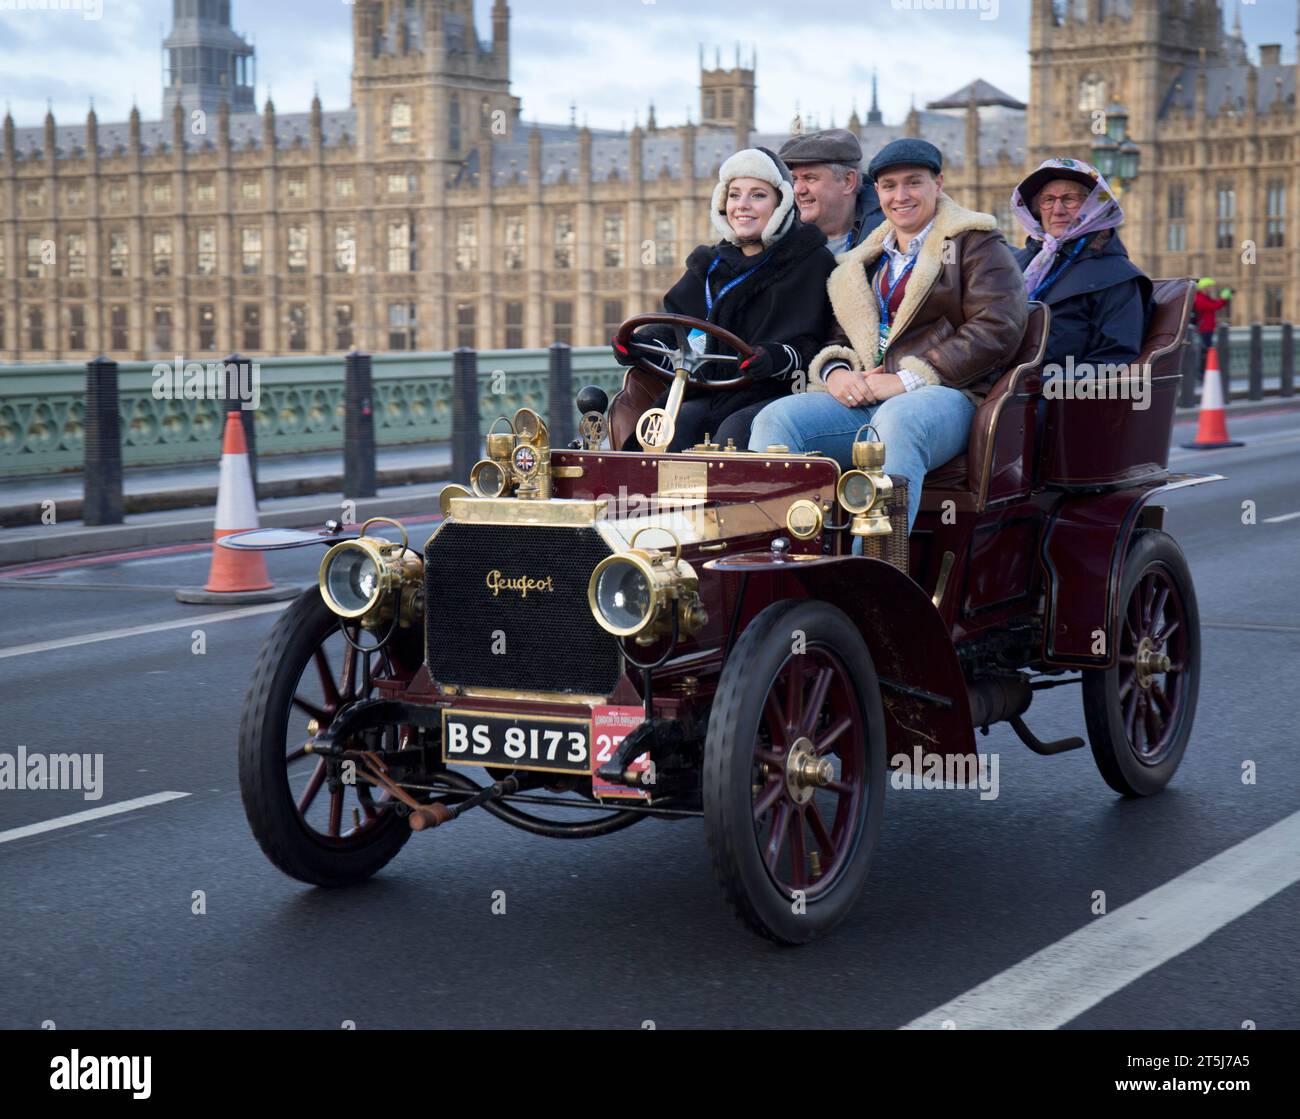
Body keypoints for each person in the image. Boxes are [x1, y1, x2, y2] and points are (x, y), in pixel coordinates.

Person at [749, 138, 1028, 530]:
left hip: (950, 395)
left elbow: (998, 326)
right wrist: (836, 373)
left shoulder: (975, 243)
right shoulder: (869, 256)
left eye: (913, 183)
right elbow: (838, 336)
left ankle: (879, 570)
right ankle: (786, 559)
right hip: (868, 394)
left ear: (938, 183)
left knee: (898, 421)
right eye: (889, 186)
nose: (901, 196)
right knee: (776, 421)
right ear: (876, 191)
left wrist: (907, 379)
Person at [611, 147, 834, 451]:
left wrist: (772, 358)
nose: (742, 206)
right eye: (734, 195)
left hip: (779, 393)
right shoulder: (712, 263)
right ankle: (647, 498)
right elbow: (678, 328)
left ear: (781, 204)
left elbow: (812, 346)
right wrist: (639, 345)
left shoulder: (810, 261)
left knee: (732, 432)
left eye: (757, 195)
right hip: (709, 390)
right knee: (661, 428)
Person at [1011, 157, 1152, 372]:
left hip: (1045, 395)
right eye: (1048, 200)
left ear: (1095, 205)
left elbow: (1114, 359)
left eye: (1069, 199)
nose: (1057, 210)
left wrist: (1037, 385)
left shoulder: (1116, 277)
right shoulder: (1017, 266)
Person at [778, 128, 885, 255]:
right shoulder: (779, 239)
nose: (798, 190)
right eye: (795, 179)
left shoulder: (890, 238)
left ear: (848, 181)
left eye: (810, 178)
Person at [1193, 277, 1233, 373]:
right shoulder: (1199, 298)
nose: (1211, 289)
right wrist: (1223, 298)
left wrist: (1225, 299)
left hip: (1208, 328)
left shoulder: (1205, 297)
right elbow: (1214, 306)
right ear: (1204, 288)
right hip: (1203, 329)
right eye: (1209, 287)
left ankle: (1205, 371)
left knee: (1207, 351)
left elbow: (1215, 304)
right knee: (1205, 351)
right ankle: (1202, 373)